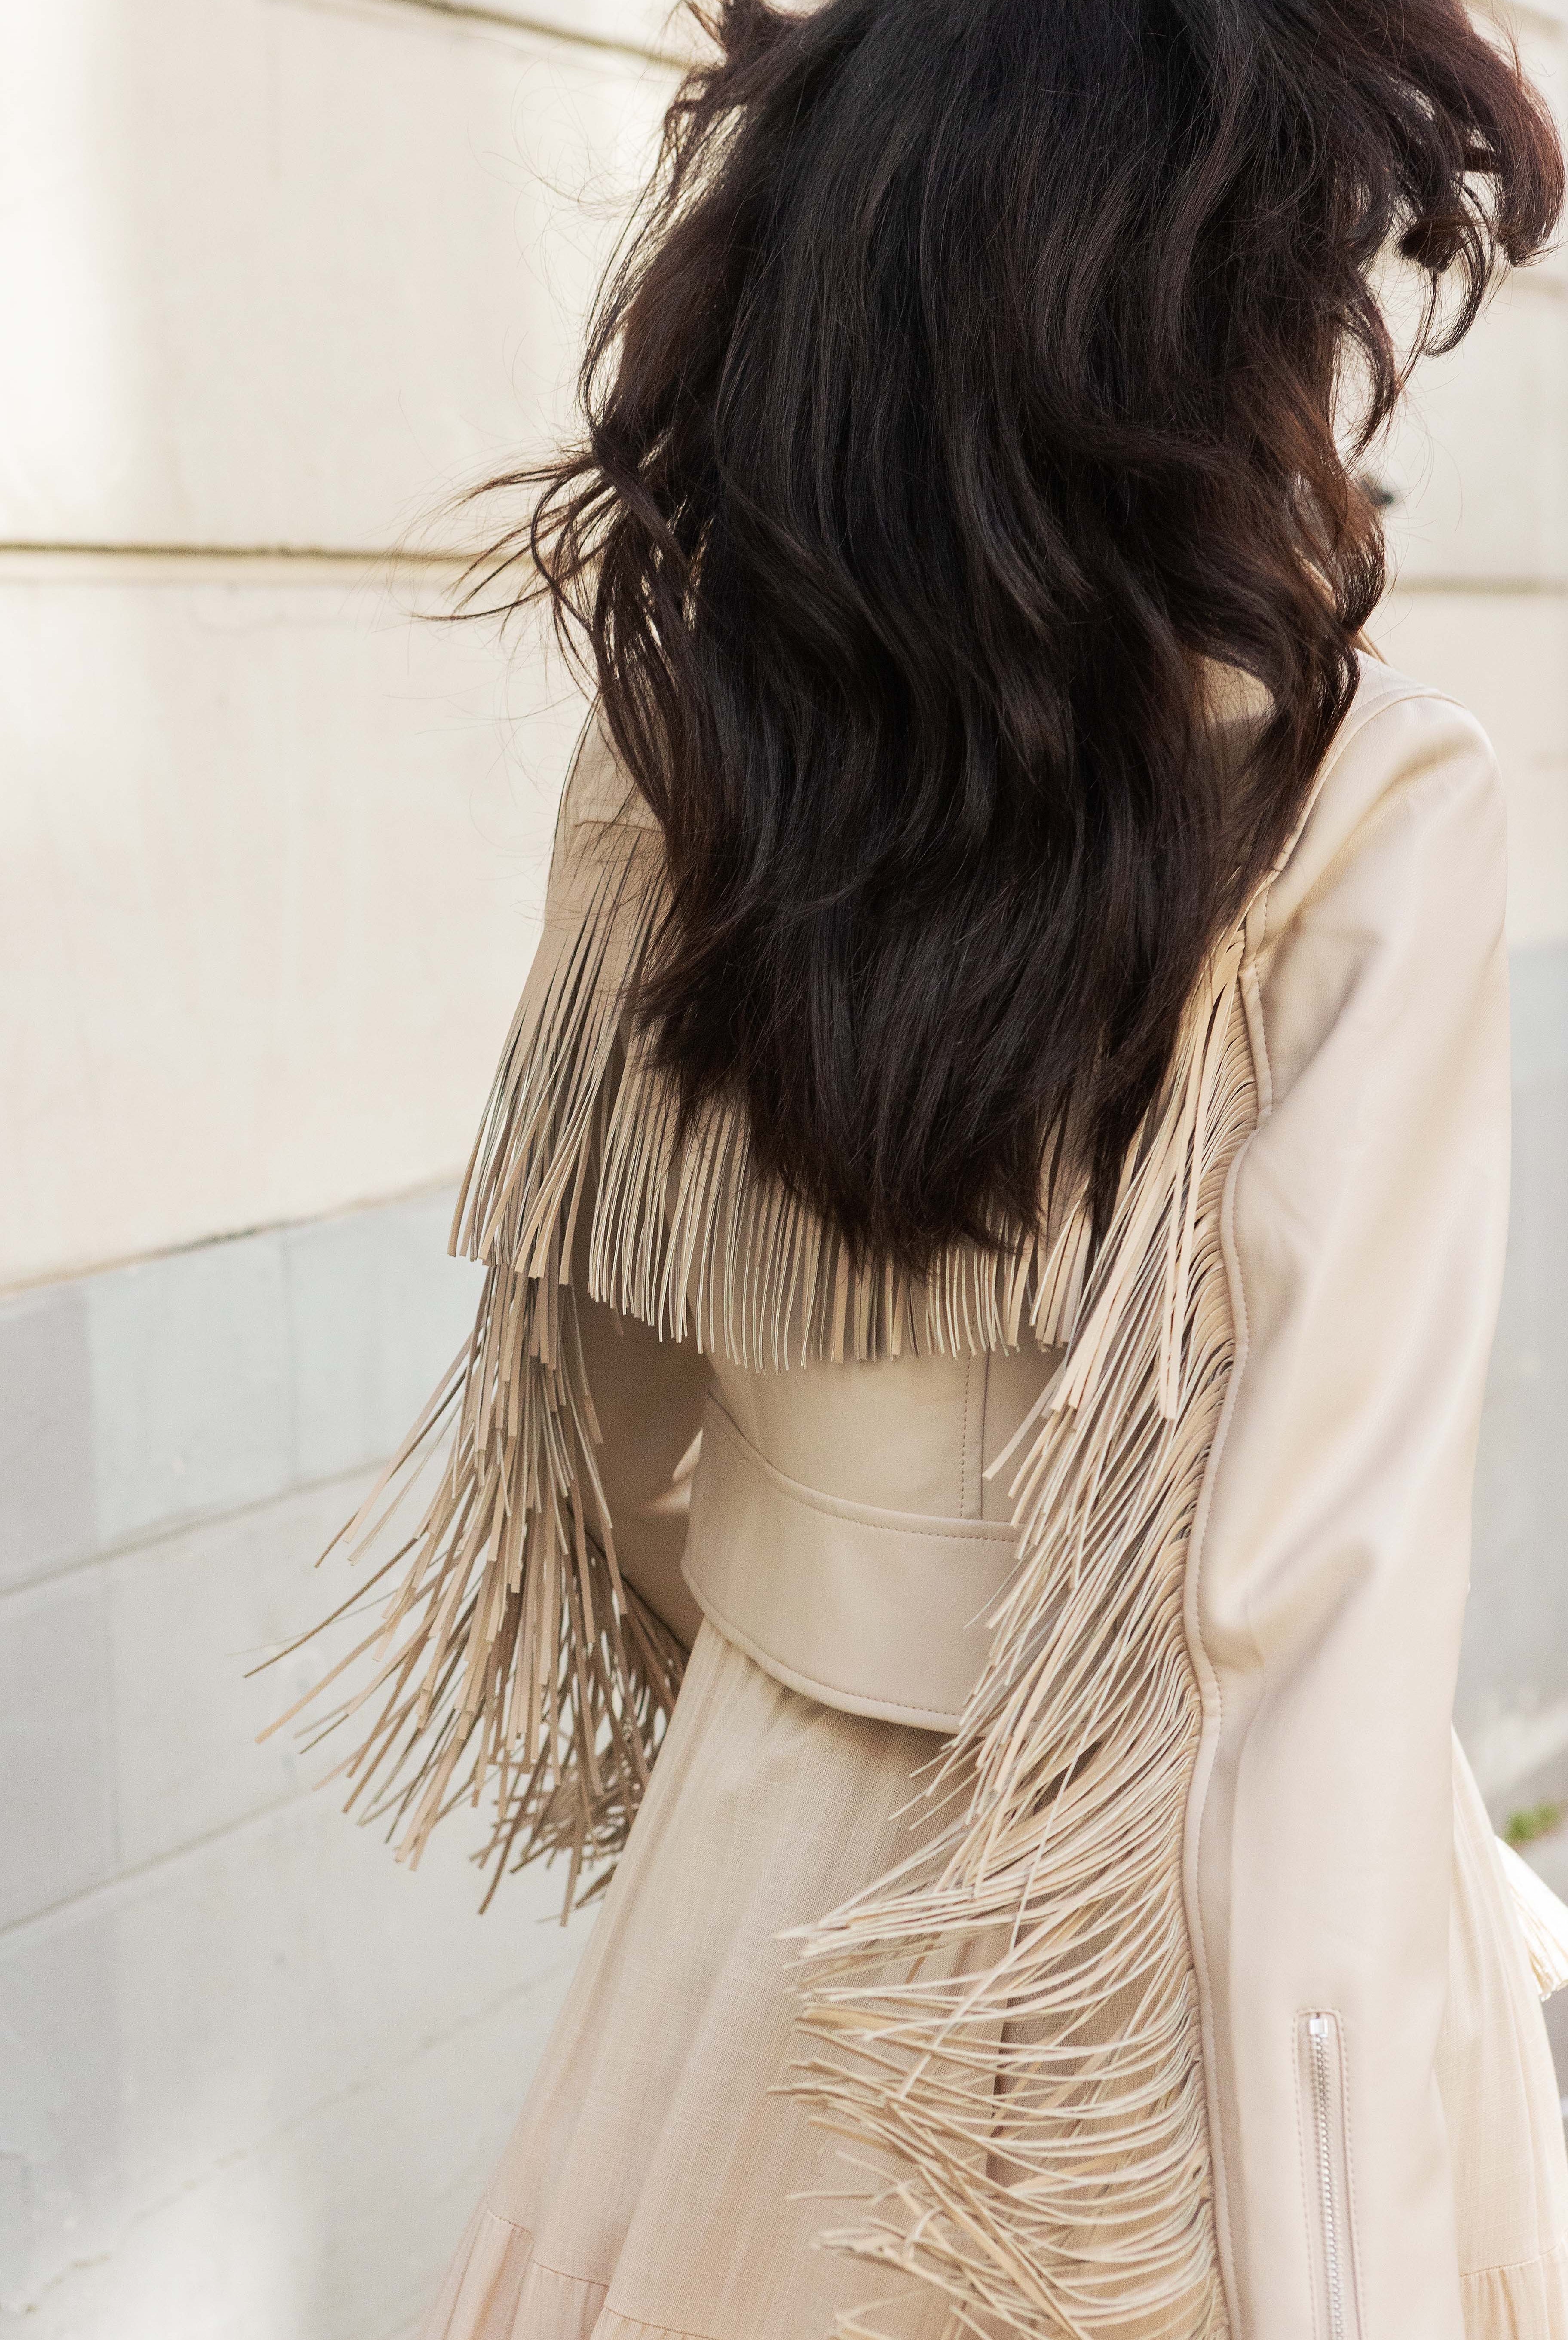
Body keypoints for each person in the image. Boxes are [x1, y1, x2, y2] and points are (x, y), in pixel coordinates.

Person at [278, 2, 1568, 2333]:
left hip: (759, 1860)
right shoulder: (1364, 803)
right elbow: (1307, 1657)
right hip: (1146, 1998)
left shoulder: (683, 756)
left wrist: (806, 1659)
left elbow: (613, 1401)